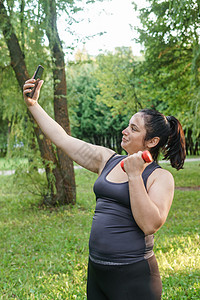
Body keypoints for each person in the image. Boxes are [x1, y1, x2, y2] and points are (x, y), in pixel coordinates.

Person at [23, 78, 186, 300]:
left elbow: (149, 225)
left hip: (134, 276)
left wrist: (135, 174)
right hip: (97, 272)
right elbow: (62, 138)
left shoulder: (160, 177)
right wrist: (34, 105)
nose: (124, 131)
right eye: (128, 125)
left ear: (152, 141)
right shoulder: (106, 159)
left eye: (133, 128)